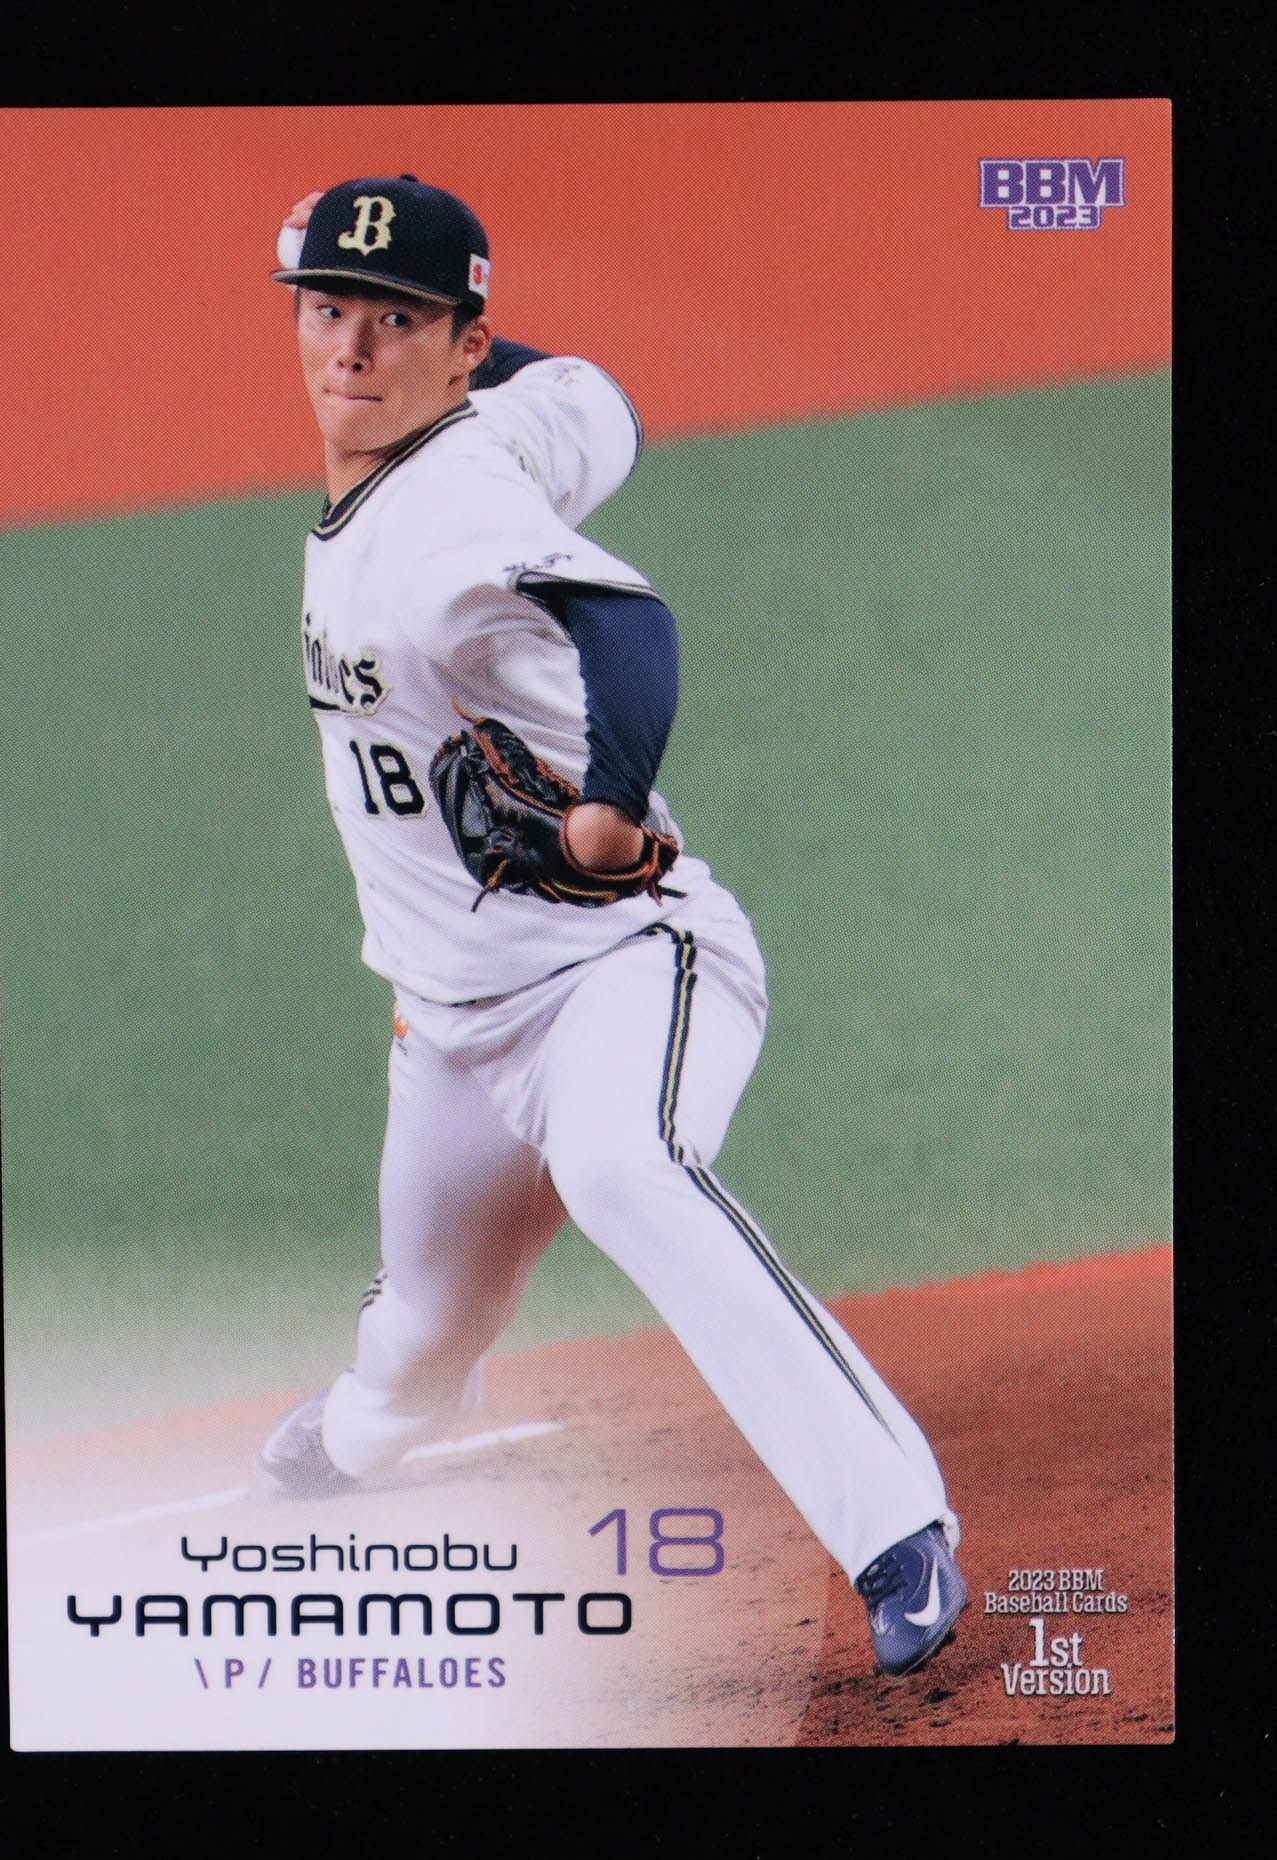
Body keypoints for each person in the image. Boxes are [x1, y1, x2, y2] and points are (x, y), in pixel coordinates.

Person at [252, 174, 967, 1678]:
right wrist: (458, 333)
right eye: (329, 310)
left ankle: (895, 1528)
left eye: (399, 323)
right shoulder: (512, 422)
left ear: (461, 344)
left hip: (621, 969)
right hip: (450, 1029)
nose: (353, 351)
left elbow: (626, 621)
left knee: (623, 1163)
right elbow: (598, 392)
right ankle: (366, 1427)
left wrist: (610, 799)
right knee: (416, 1345)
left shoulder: (450, 518)